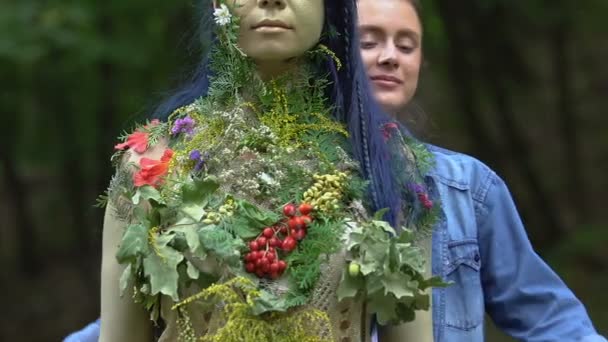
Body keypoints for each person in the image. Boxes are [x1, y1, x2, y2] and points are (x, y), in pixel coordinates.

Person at [357, 0, 607, 341]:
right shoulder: (282, 173)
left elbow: (547, 316)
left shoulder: (467, 186)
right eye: (367, 42)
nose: (390, 57)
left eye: (406, 46)